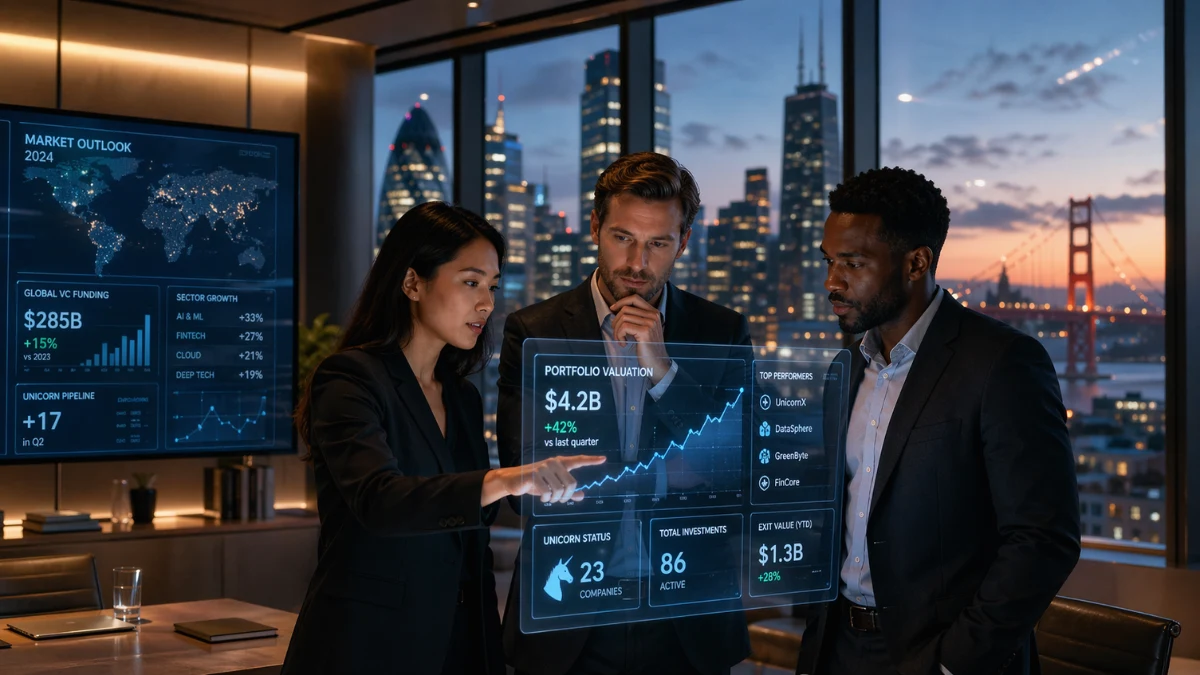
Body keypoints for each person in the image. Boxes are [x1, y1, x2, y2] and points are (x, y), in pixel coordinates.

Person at [281, 201, 604, 675]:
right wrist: (506, 479)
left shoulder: (463, 397)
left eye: (492, 287)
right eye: (471, 282)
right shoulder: (350, 379)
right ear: (413, 282)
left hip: (461, 643)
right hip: (368, 645)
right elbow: (379, 500)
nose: (487, 303)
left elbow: (474, 527)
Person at [794, 167, 1081, 675]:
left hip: (940, 657)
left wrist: (954, 664)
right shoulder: (849, 365)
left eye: (853, 263)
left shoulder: (1004, 362)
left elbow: (1043, 538)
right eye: (830, 261)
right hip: (837, 650)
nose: (831, 282)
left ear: (916, 262)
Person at [497, 152, 752, 675]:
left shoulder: (721, 332)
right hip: (569, 615)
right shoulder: (533, 331)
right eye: (622, 238)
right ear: (594, 228)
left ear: (682, 243)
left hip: (688, 619)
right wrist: (672, 472)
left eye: (658, 243)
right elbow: (526, 484)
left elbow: (735, 475)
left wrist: (662, 371)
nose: (637, 262)